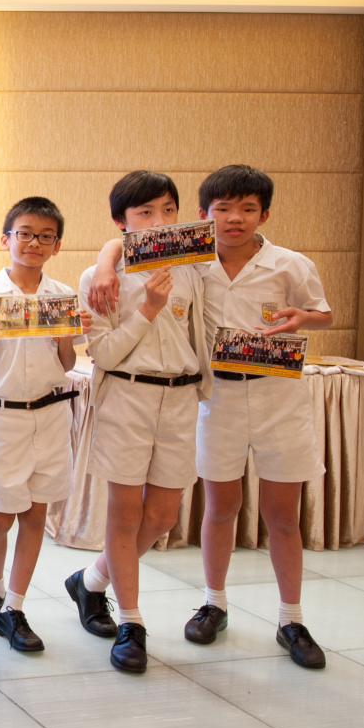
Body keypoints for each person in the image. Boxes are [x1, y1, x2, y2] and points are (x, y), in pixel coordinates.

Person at [89, 165, 333, 668]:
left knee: (274, 515)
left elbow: (322, 313)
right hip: (206, 398)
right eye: (223, 209)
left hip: (269, 395)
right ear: (205, 215)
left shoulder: (259, 263)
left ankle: (291, 619)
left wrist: (305, 318)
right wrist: (107, 263)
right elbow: (120, 244)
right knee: (213, 507)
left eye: (247, 209)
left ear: (264, 214)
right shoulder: (175, 264)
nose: (234, 218)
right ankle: (198, 607)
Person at [71, 171, 211, 674]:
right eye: (145, 212)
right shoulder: (99, 278)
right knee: (125, 515)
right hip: (126, 397)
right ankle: (131, 623)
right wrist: (147, 307)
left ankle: (90, 581)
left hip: (180, 398)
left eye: (168, 210)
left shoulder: (192, 268)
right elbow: (105, 353)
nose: (159, 221)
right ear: (122, 221)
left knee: (163, 516)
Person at [0, 196, 85, 654]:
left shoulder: (62, 296)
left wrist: (66, 338)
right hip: (2, 415)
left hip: (51, 414)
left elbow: (67, 363)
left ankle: (14, 605)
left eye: (45, 237)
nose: (34, 243)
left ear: (57, 245)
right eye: (25, 234)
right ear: (6, 239)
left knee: (35, 514)